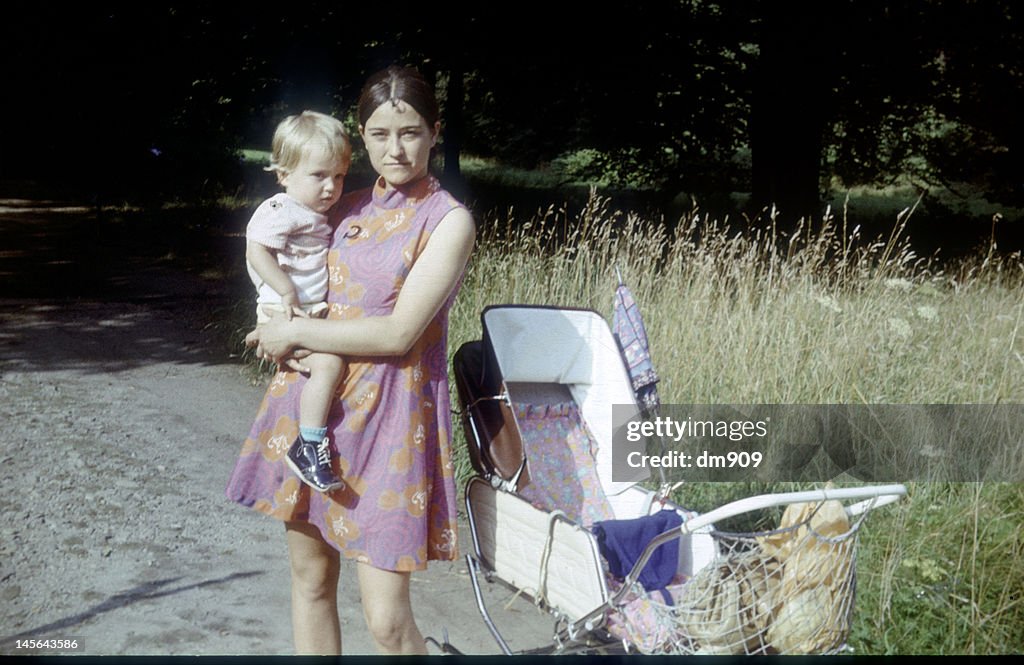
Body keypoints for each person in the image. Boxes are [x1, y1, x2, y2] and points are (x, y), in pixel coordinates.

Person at [226, 65, 475, 656]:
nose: (396, 148)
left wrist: (294, 330)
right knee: (311, 581)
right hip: (316, 412)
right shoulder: (340, 205)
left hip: (391, 420)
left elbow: (398, 333)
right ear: (362, 136)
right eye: (381, 133)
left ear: (434, 132)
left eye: (410, 132)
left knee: (387, 622)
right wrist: (273, 323)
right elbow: (277, 261)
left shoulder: (447, 221)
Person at [244, 110, 351, 493]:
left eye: (338, 176)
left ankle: (309, 436)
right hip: (282, 308)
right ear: (284, 174)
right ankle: (308, 444)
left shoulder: (314, 212)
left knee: (330, 363)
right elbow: (257, 251)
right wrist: (286, 291)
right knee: (329, 363)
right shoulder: (280, 209)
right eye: (319, 175)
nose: (330, 187)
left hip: (302, 312)